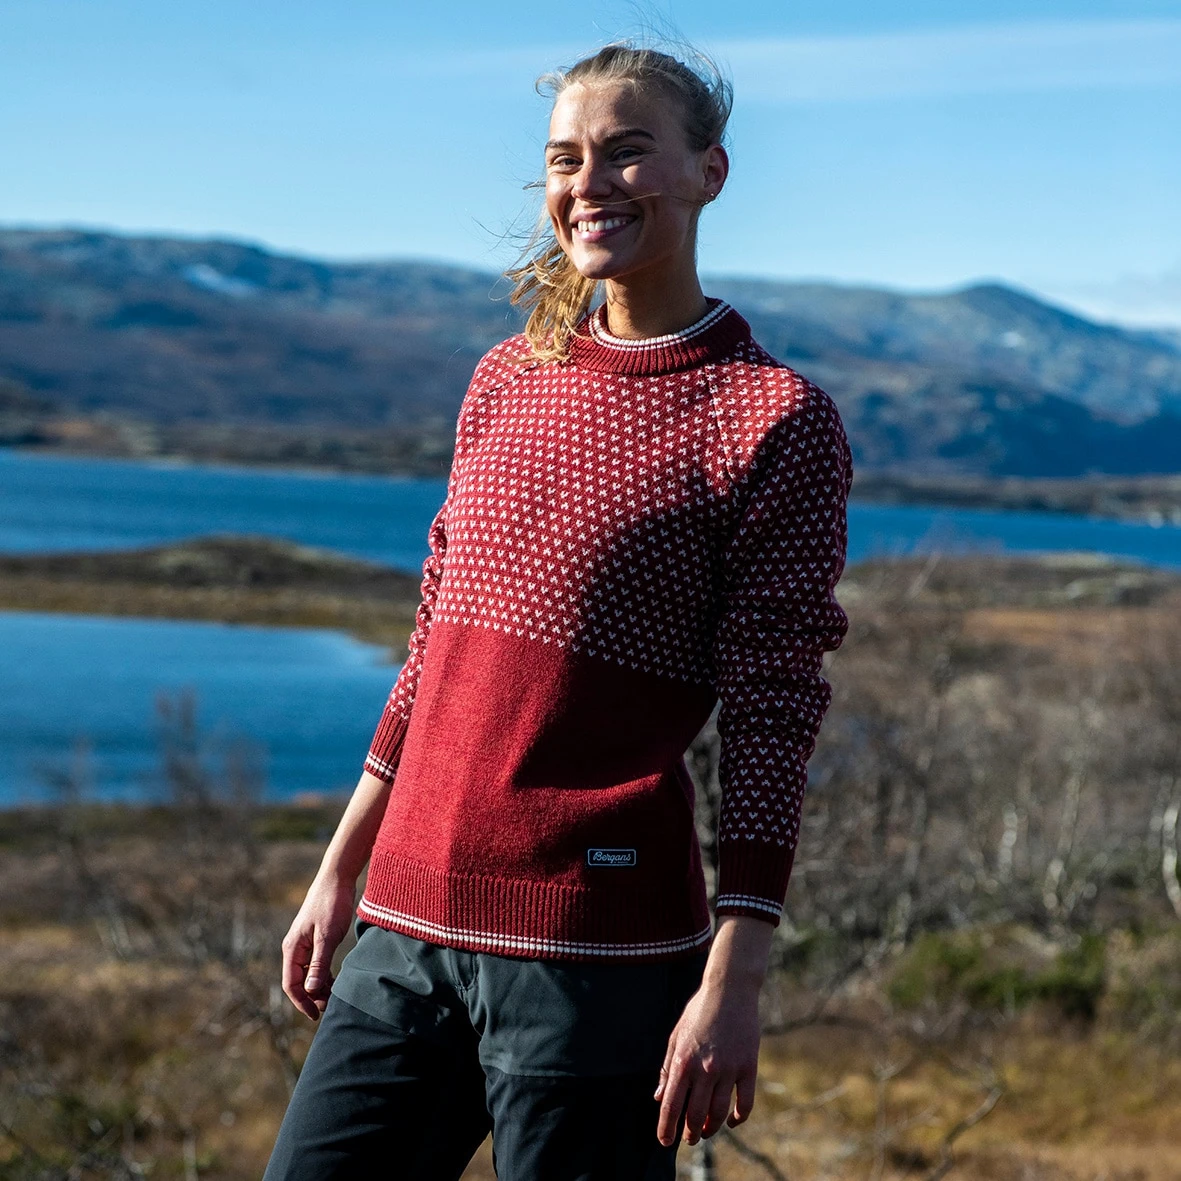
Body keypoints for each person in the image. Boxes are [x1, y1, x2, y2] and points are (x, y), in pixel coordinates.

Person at [263, 40, 853, 1181]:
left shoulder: (770, 417)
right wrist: (341, 867)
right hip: (404, 925)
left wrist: (734, 976)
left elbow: (772, 714)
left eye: (627, 152)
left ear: (709, 173)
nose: (590, 183)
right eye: (565, 159)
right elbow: (431, 649)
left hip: (597, 955)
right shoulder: (505, 378)